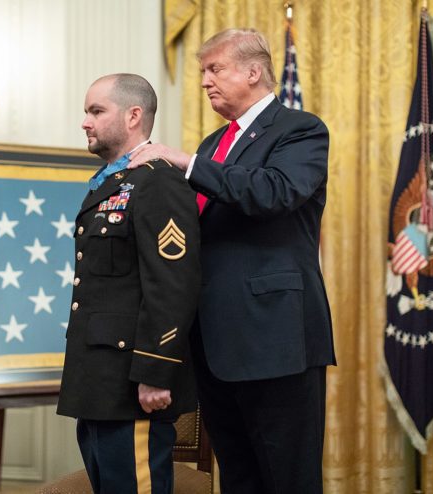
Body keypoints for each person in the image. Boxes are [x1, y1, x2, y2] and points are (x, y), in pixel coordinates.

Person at [128, 28, 335, 493]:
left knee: (288, 479)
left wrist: (184, 163)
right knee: (238, 478)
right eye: (203, 71)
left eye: (215, 69)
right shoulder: (211, 143)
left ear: (253, 71)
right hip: (214, 342)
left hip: (275, 337)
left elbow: (274, 192)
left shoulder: (300, 130)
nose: (205, 81)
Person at [56, 73, 201, 494]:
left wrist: (156, 370)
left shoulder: (157, 180)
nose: (85, 121)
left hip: (133, 382)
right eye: (87, 111)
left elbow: (173, 282)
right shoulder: (112, 183)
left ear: (134, 115)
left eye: (96, 111)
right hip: (99, 379)